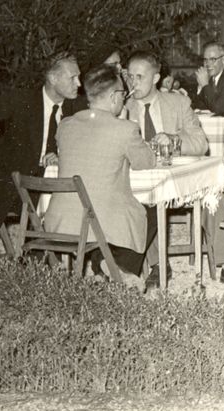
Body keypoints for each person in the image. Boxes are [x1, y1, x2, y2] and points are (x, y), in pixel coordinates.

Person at [43, 65, 155, 291]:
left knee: (109, 206)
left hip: (61, 221)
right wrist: (123, 122)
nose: (124, 100)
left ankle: (101, 266)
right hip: (97, 221)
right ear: (114, 97)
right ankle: (117, 266)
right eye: (123, 95)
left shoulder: (65, 126)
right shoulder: (124, 129)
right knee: (149, 209)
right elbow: (146, 162)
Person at [0, 50, 85, 244]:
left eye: (79, 77)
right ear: (52, 78)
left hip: (53, 184)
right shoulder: (22, 100)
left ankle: (47, 258)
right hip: (14, 185)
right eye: (72, 78)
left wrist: (62, 155)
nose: (79, 84)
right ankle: (40, 257)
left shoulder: (78, 107)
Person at [124, 51, 209, 155]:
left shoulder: (179, 103)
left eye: (139, 77)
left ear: (155, 78)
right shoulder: (123, 108)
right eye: (130, 76)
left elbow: (201, 144)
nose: (133, 83)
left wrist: (173, 140)